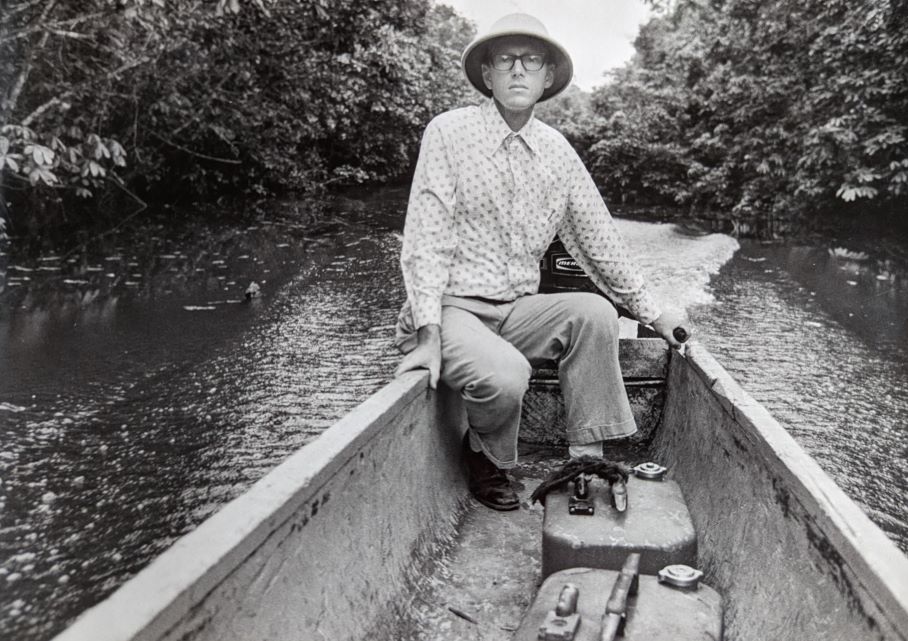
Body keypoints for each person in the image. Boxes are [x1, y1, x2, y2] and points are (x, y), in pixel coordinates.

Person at [393, 13, 688, 511]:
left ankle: (586, 458)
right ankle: (483, 455)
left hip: (516, 311)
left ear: (547, 77)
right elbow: (426, 240)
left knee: (596, 314)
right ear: (487, 74)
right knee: (506, 375)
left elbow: (600, 245)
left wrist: (656, 315)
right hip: (453, 311)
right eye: (505, 60)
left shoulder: (558, 152)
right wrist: (426, 334)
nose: (517, 71)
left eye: (531, 61)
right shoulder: (447, 133)